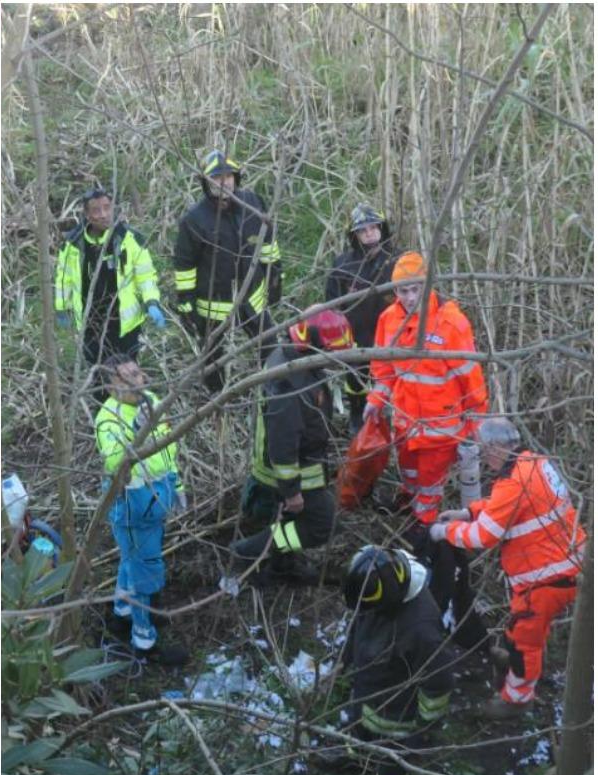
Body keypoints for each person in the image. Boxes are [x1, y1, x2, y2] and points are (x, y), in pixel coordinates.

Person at [367, 250, 490, 648]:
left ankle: (425, 542)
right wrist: (375, 400)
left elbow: (469, 375)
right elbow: (383, 370)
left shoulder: (450, 322)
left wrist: (475, 424)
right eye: (403, 289)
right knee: (411, 479)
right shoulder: (389, 320)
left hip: (441, 429)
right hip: (405, 424)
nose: (409, 296)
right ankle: (419, 523)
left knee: (429, 491)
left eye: (416, 288)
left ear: (428, 285)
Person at [432, 417, 587, 718]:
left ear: (494, 448)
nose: (483, 459)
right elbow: (506, 507)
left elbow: (483, 536)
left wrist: (444, 532)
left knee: (523, 640)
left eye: (483, 452)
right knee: (526, 631)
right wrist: (468, 512)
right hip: (564, 563)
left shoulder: (513, 481)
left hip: (545, 576)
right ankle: (520, 671)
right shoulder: (533, 462)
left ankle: (516, 700)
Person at [224, 310, 352, 589]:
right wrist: (291, 490)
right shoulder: (288, 383)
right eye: (331, 353)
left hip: (301, 467)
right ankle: (249, 551)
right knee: (321, 524)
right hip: (289, 473)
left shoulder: (296, 361)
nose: (336, 361)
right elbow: (283, 442)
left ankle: (283, 567)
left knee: (293, 519)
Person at [334, 545, 457, 775]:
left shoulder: (422, 630)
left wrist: (422, 731)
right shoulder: (374, 590)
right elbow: (359, 626)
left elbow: (438, 683)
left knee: (391, 761)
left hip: (397, 712)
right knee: (358, 725)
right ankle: (355, 757)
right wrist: (344, 661)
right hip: (367, 691)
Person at [94, 355, 189, 666]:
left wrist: (176, 485)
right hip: (133, 508)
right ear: (112, 386)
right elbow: (113, 464)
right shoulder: (109, 418)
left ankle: (122, 614)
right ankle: (144, 641)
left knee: (130, 562)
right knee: (145, 572)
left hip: (155, 499)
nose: (140, 379)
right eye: (129, 376)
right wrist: (136, 435)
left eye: (139, 372)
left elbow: (169, 446)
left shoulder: (151, 403)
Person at [172, 149, 282, 394]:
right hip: (213, 304)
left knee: (270, 344)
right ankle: (218, 400)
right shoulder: (194, 220)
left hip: (252, 296)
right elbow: (184, 266)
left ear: (237, 178)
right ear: (206, 183)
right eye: (216, 178)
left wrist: (274, 275)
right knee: (212, 358)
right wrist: (186, 304)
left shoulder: (253, 203)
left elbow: (268, 243)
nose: (224, 183)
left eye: (229, 177)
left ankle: (273, 390)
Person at [54, 187, 167, 366]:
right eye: (96, 210)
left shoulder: (129, 239)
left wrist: (151, 302)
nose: (103, 214)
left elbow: (145, 276)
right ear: (87, 214)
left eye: (107, 208)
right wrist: (61, 308)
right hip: (90, 325)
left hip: (125, 327)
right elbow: (63, 279)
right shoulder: (73, 245)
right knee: (98, 375)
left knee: (126, 375)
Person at [324, 203, 398, 432]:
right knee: (355, 379)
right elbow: (333, 303)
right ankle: (357, 414)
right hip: (354, 336)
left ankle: (390, 416)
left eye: (374, 228)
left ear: (382, 229)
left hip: (389, 336)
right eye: (363, 230)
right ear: (355, 235)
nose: (369, 234)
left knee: (389, 378)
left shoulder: (396, 261)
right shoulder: (343, 264)